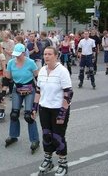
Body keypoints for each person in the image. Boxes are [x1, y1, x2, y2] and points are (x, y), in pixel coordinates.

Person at [33, 46, 73, 176]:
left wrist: (62, 113)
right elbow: (38, 90)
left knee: (58, 137)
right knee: (46, 135)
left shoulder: (62, 71)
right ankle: (48, 160)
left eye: (50, 54)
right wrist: (34, 108)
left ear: (56, 56)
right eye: (45, 54)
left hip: (58, 109)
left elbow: (68, 93)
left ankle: (63, 163)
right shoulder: (42, 70)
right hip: (44, 108)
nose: (46, 56)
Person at [3, 43, 40, 153]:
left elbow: (38, 78)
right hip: (17, 89)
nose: (17, 56)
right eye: (16, 54)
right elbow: (7, 78)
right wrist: (3, 91)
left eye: (19, 54)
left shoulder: (31, 63)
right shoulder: (10, 63)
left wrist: (40, 92)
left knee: (29, 115)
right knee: (14, 114)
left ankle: (35, 140)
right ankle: (13, 135)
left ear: (24, 53)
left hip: (29, 90)